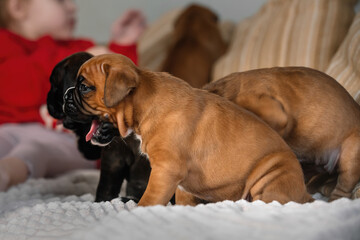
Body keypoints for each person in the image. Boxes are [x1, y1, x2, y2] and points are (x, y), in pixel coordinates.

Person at [0, 0, 146, 191]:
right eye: (61, 1)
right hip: (9, 129)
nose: (73, 7)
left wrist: (121, 46)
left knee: (35, 150)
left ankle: (5, 175)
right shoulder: (5, 44)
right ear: (18, 7)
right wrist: (77, 62)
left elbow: (119, 93)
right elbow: (18, 89)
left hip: (70, 140)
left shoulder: (82, 45)